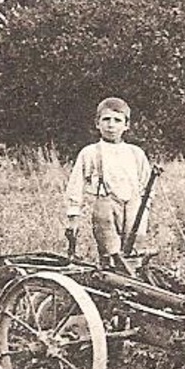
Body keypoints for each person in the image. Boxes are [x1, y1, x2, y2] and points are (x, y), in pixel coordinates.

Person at [65, 97, 155, 264]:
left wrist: (145, 209)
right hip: (105, 207)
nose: (111, 125)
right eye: (106, 119)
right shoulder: (90, 152)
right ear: (97, 123)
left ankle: (137, 285)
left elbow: (147, 185)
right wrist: (73, 216)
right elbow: (75, 185)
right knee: (110, 254)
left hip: (134, 207)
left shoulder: (136, 153)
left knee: (135, 253)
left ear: (126, 125)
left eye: (117, 120)